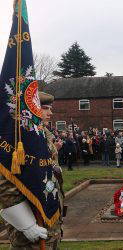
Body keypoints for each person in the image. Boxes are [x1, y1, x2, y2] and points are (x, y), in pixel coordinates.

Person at [0, 92, 65, 249]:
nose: (50, 113)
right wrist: (26, 225)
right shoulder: (17, 140)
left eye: (50, 108)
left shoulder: (43, 134)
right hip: (30, 227)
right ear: (30, 109)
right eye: (45, 108)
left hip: (49, 222)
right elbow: (5, 184)